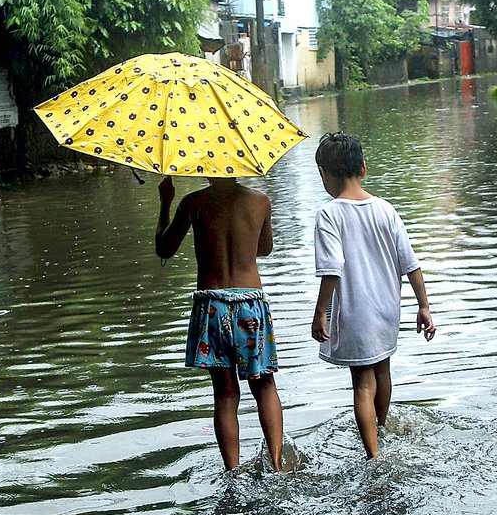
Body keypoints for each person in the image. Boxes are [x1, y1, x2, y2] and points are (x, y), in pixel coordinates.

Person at [310, 132, 436, 459]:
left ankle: (374, 455)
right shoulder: (386, 210)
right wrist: (424, 306)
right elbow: (410, 262)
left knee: (362, 384)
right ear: (363, 168)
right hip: (386, 309)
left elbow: (331, 268)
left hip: (355, 310)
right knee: (383, 371)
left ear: (323, 173)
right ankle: (380, 427)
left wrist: (320, 311)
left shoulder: (329, 214)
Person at [155, 175, 285, 472]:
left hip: (211, 305)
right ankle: (277, 466)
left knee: (225, 393)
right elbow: (263, 249)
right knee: (264, 386)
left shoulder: (193, 203)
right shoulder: (259, 200)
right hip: (250, 303)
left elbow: (164, 249)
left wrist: (165, 202)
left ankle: (233, 471)